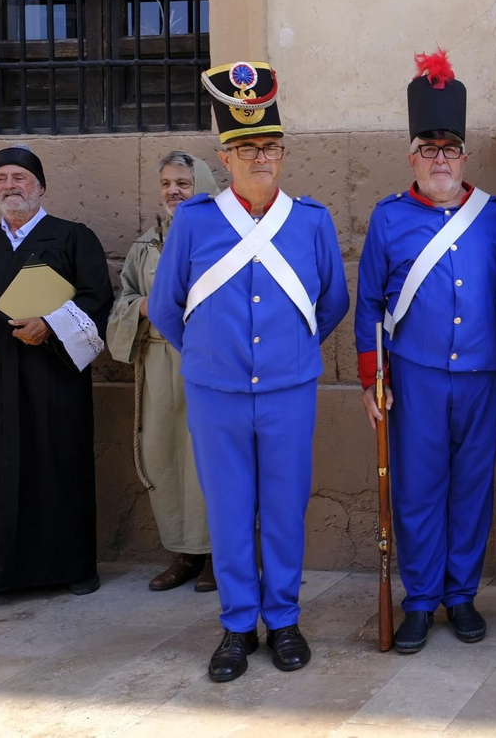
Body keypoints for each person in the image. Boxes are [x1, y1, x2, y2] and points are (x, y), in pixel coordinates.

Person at [149, 61, 348, 682]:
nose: (260, 157)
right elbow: (165, 307)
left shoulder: (311, 220)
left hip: (289, 392)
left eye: (270, 146)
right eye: (246, 147)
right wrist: (212, 358)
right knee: (231, 508)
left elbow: (332, 301)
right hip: (216, 394)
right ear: (224, 155)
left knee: (285, 508)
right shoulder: (195, 221)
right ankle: (238, 625)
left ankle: (283, 619)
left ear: (283, 153)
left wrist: (286, 354)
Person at [354, 49, 496, 653]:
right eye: (428, 150)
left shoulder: (492, 217)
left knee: (472, 489)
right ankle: (422, 599)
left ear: (463, 155)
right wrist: (373, 379)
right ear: (412, 157)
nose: (439, 160)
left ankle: (462, 595)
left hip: (480, 376)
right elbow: (369, 304)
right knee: (419, 489)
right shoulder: (389, 219)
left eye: (449, 149)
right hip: (416, 377)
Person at [0, 145, 113, 603]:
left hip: (50, 378)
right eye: (1, 179)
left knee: (58, 464)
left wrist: (50, 326)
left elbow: (97, 298)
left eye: (20, 177)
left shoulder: (72, 237)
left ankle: (71, 567)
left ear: (40, 186)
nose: (10, 186)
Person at [108, 151, 219, 593]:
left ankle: (219, 552)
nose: (174, 191)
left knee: (206, 457)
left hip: (210, 362)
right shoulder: (145, 245)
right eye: (167, 183)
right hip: (157, 362)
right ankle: (185, 551)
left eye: (184, 183)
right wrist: (142, 307)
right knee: (164, 453)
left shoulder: (223, 237)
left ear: (204, 187)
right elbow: (122, 300)